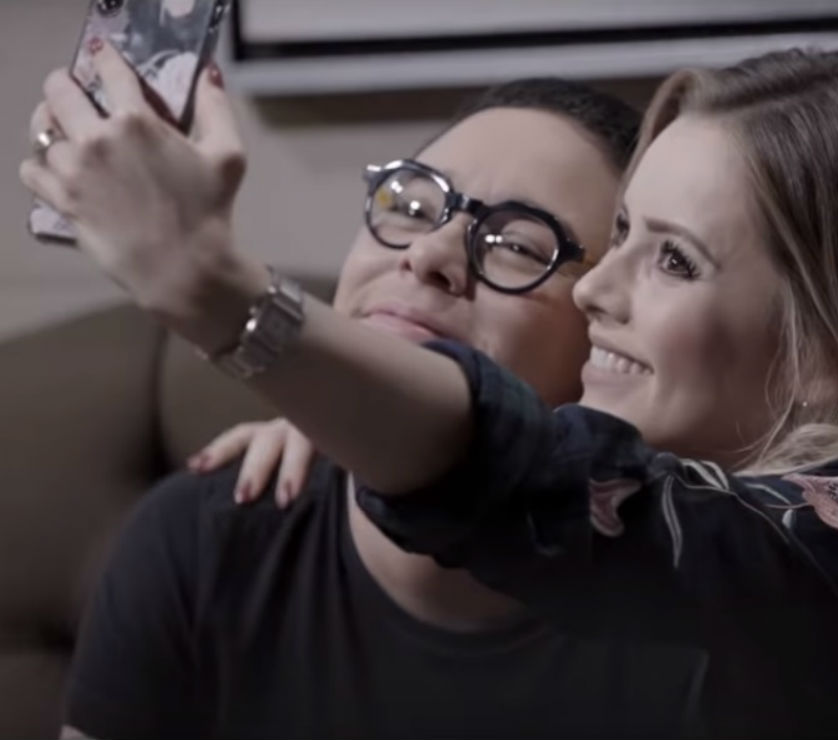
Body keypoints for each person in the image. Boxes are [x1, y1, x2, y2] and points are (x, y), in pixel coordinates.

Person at [22, 44, 838, 738]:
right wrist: (344, 423)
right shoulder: (231, 524)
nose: (593, 293)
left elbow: (578, 495)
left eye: (669, 257)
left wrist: (217, 290)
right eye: (617, 235)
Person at [29, 65, 705, 738]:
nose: (429, 251)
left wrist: (204, 281)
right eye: (411, 206)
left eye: (517, 245)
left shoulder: (695, 599)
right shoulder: (205, 540)